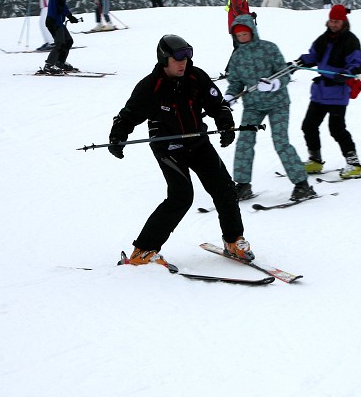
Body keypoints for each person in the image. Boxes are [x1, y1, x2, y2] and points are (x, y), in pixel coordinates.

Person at [107, 34, 253, 267]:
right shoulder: (150, 86)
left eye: (188, 55)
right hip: (168, 147)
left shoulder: (197, 77)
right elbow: (129, 115)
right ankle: (142, 251)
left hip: (198, 142)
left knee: (224, 188)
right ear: (164, 59)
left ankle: (233, 240)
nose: (184, 62)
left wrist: (225, 125)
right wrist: (118, 136)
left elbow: (218, 105)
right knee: (181, 196)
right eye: (178, 57)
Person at [225, 14, 316, 201]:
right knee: (244, 142)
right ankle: (243, 185)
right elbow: (235, 82)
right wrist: (230, 95)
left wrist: (274, 84)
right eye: (238, 35)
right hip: (252, 106)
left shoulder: (269, 48)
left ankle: (302, 185)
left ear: (252, 31)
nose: (242, 38)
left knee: (280, 142)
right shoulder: (237, 56)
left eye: (245, 34)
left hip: (278, 103)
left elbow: (284, 75)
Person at [298, 4, 361, 179]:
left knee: (336, 129)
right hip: (320, 91)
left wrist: (347, 74)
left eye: (337, 21)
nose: (333, 24)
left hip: (337, 91)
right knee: (309, 125)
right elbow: (313, 56)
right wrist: (299, 62)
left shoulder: (350, 41)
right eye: (331, 21)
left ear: (344, 22)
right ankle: (315, 160)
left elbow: (357, 63)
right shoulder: (323, 39)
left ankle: (354, 164)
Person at [41, 0, 80, 75]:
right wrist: (70, 16)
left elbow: (63, 6)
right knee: (60, 43)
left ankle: (59, 63)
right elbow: (61, 6)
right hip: (53, 22)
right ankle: (49, 65)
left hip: (57, 21)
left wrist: (70, 17)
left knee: (68, 41)